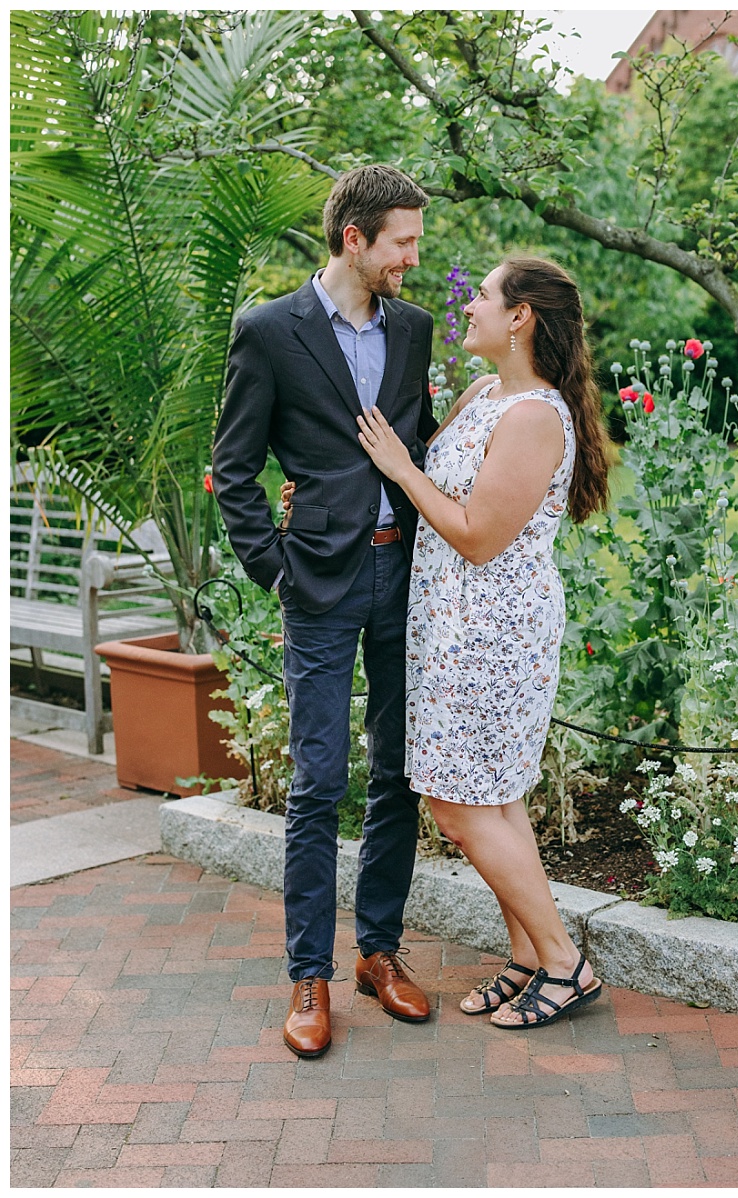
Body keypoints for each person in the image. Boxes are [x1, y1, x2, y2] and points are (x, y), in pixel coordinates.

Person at [325, 255, 614, 1029]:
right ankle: (528, 958)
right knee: (496, 800)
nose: (471, 306)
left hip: (494, 633)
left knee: (458, 807)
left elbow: (478, 534)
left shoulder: (533, 417)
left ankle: (565, 964)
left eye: (484, 296)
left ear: (521, 317)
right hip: (451, 629)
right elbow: (437, 482)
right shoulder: (487, 393)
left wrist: (396, 464)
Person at [213, 164, 438, 1058]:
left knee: (399, 773)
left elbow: (417, 444)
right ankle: (309, 974)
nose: (414, 260)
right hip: (319, 585)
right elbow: (235, 471)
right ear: (355, 239)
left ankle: (377, 955)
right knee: (317, 783)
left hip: (406, 578)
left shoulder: (414, 330)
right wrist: (279, 571)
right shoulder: (268, 331)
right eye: (403, 243)